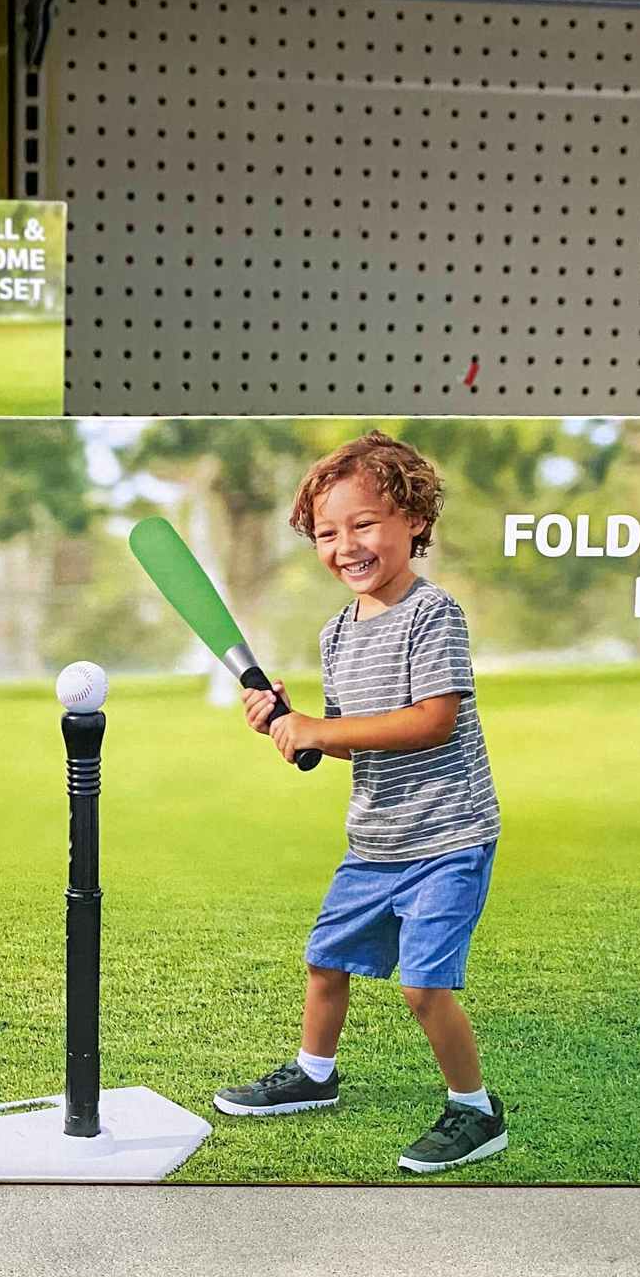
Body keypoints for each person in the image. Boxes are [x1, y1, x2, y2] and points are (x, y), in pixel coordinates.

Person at [212, 431, 508, 1174]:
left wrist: (322, 725)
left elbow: (431, 720)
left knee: (423, 985)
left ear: (412, 518)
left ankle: (476, 1110)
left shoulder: (433, 615)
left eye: (364, 523)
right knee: (325, 963)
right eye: (327, 532)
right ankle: (314, 1076)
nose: (346, 545)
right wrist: (290, 727)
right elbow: (350, 742)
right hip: (375, 841)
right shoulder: (336, 634)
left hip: (447, 836)